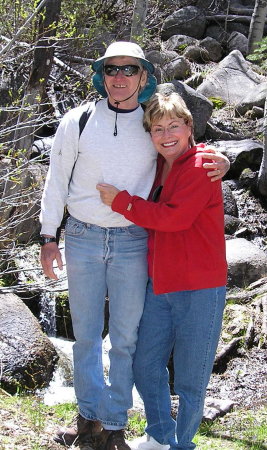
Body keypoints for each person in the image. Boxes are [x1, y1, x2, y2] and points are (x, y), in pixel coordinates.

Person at [40, 42, 229, 450]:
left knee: (124, 339)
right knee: (87, 337)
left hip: (133, 241)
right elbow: (56, 180)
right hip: (83, 237)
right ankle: (88, 419)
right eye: (112, 70)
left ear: (144, 77)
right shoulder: (79, 120)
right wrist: (48, 236)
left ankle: (115, 425)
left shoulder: (149, 124)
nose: (120, 77)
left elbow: (185, 153)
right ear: (102, 76)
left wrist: (224, 159)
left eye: (130, 70)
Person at [98, 92, 227, 450]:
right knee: (145, 366)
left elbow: (175, 218)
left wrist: (123, 202)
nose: (166, 134)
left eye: (174, 125)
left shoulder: (201, 165)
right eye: (157, 128)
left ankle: (182, 445)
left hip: (201, 289)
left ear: (189, 127)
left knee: (190, 380)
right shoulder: (158, 164)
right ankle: (158, 433)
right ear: (150, 134)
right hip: (161, 286)